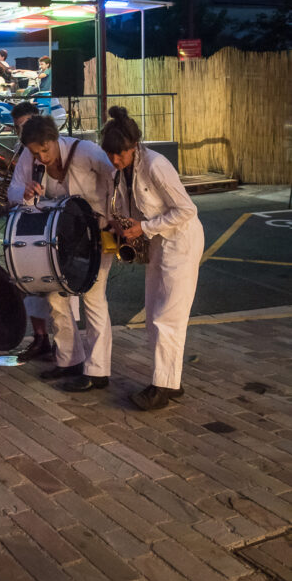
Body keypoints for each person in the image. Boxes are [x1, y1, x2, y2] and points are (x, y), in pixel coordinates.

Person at [101, 106, 204, 410]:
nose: (115, 160)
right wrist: (120, 226)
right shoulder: (119, 170)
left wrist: (143, 228)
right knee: (155, 316)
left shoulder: (156, 165)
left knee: (168, 317)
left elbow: (187, 210)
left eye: (120, 154)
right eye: (110, 154)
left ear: (134, 146)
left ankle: (162, 388)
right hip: (159, 243)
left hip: (181, 241)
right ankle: (171, 382)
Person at [10, 115, 115, 392]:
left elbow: (116, 179)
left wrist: (112, 217)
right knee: (55, 297)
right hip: (60, 239)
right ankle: (69, 360)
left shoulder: (87, 151)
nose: (42, 158)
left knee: (93, 298)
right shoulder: (29, 157)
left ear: (55, 139)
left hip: (96, 235)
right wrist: (24, 192)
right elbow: (13, 190)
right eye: (36, 153)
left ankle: (98, 371)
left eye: (45, 150)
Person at [7, 102, 51, 362]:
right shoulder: (23, 152)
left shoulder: (54, 145)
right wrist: (21, 192)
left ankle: (65, 347)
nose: (22, 132)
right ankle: (40, 338)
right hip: (29, 222)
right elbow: (12, 189)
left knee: (58, 292)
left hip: (54, 222)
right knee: (30, 284)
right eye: (17, 128)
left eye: (25, 125)